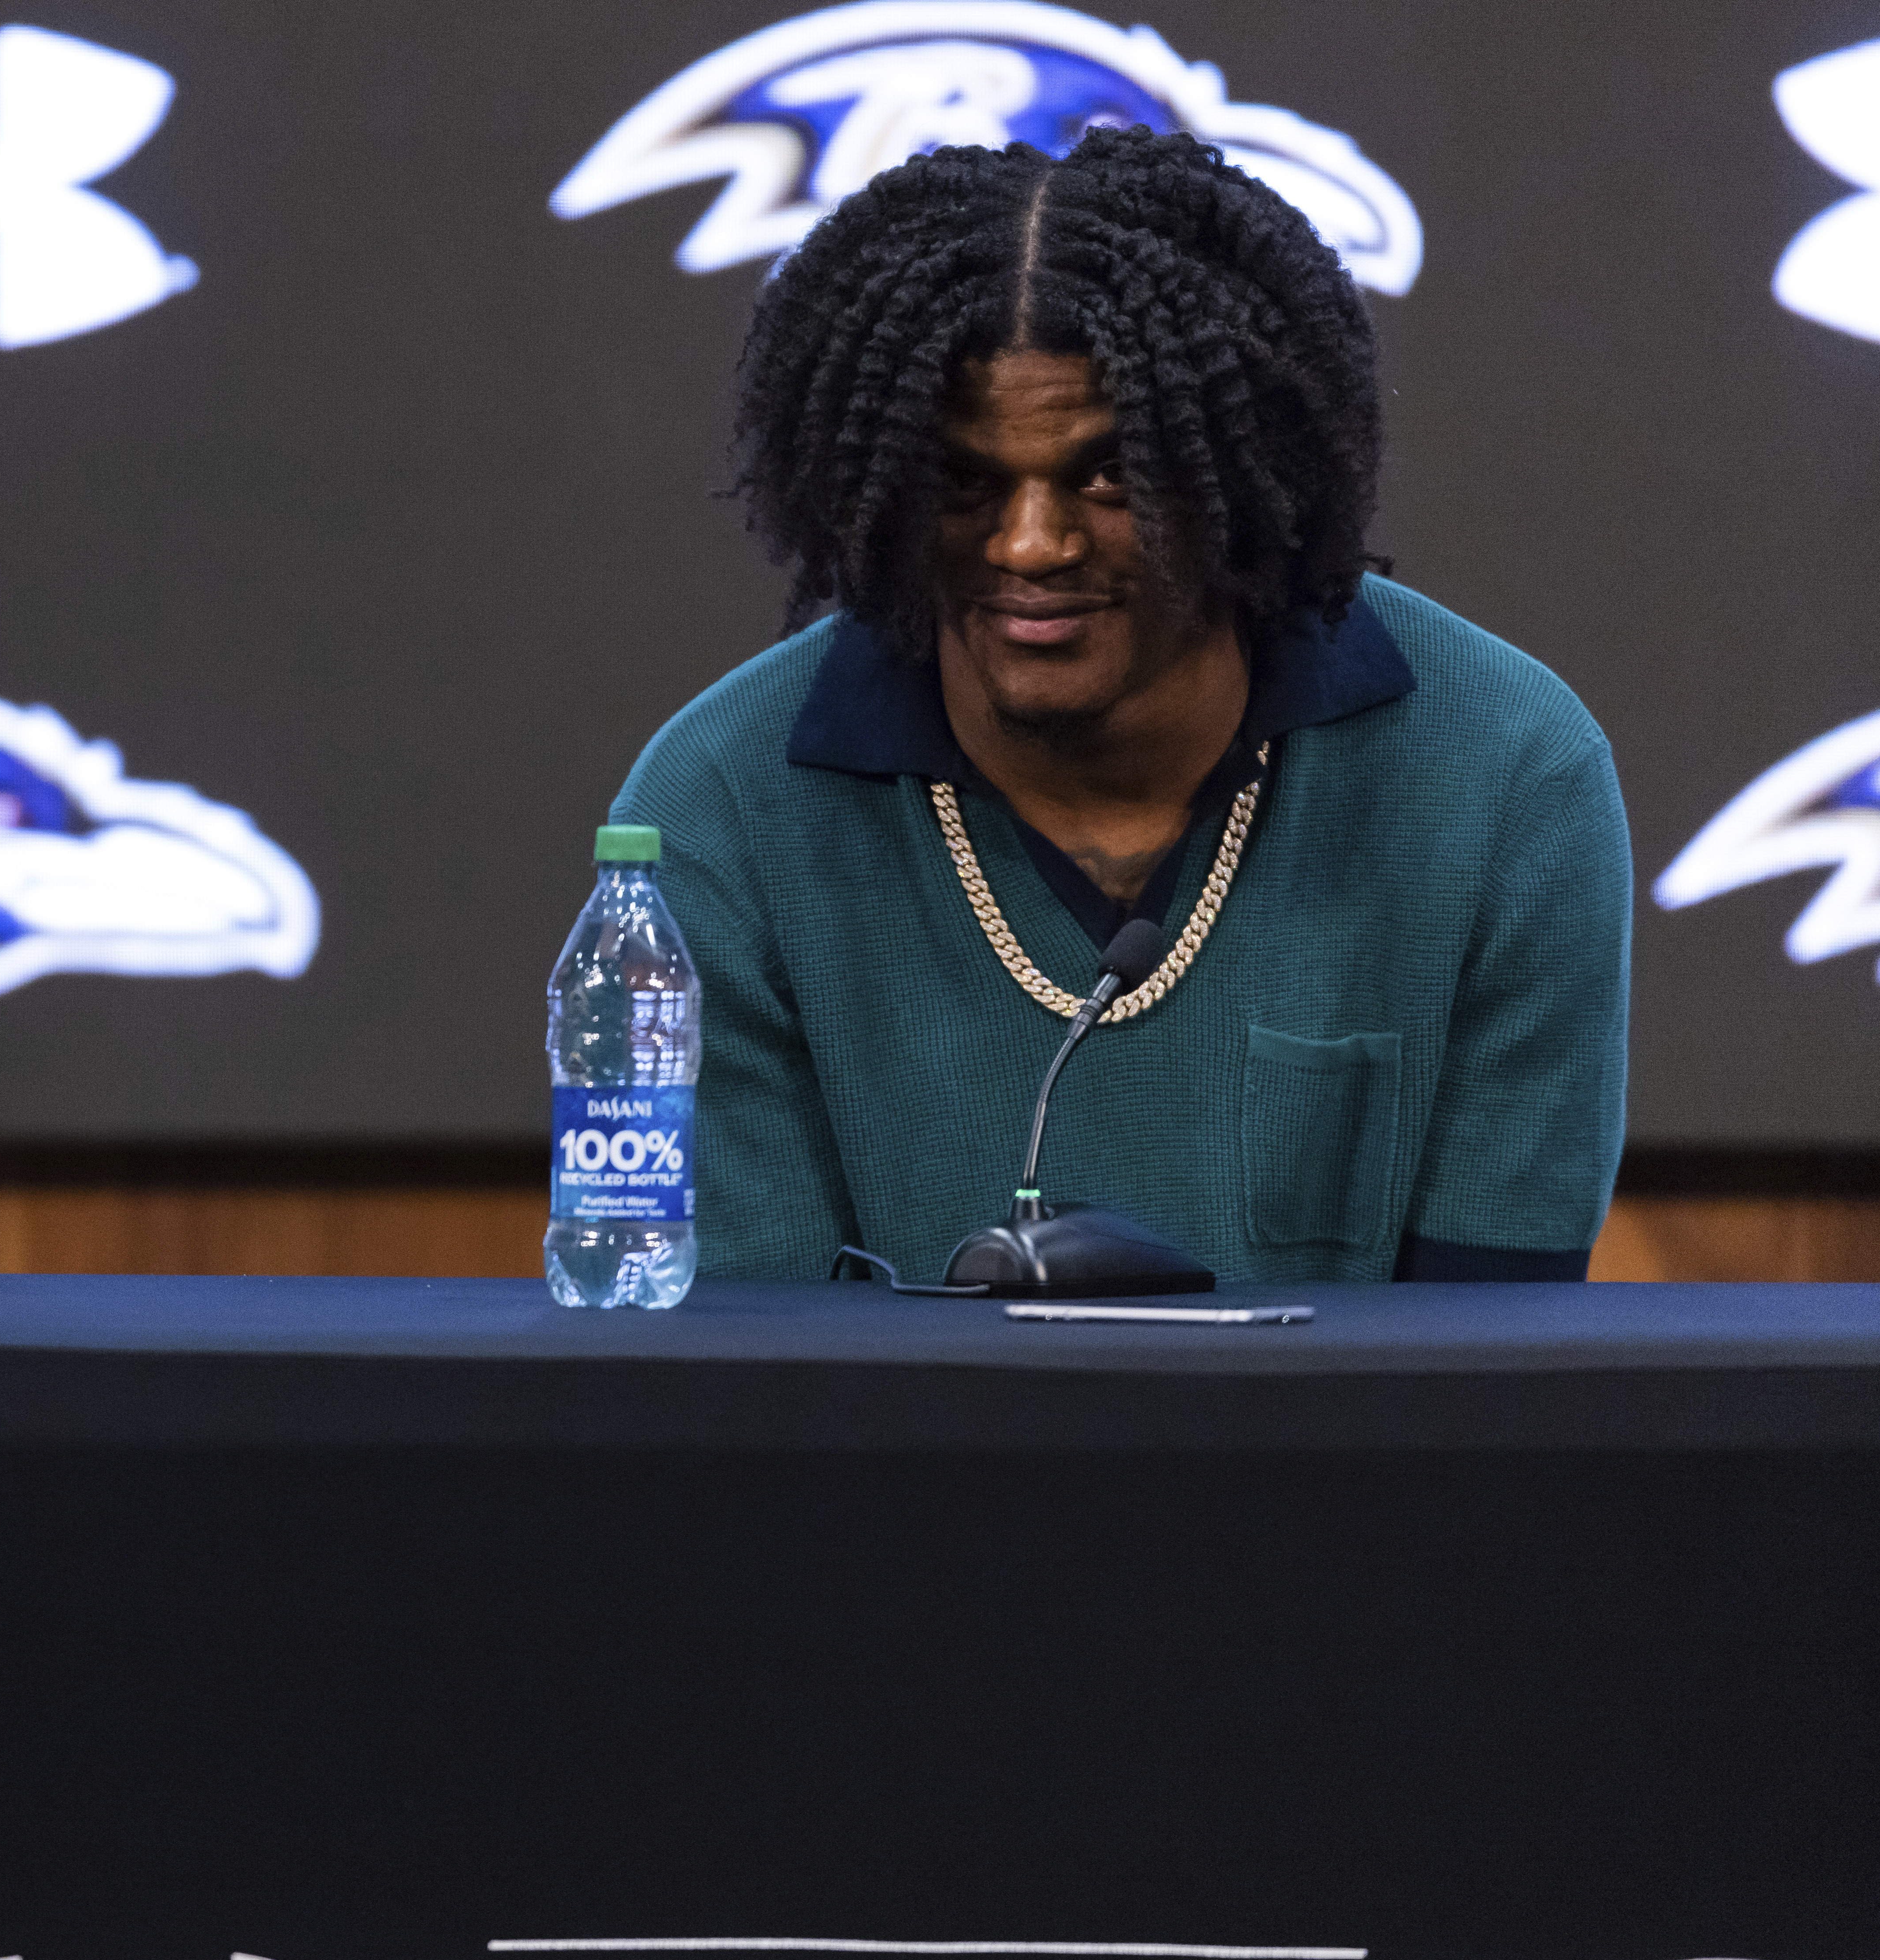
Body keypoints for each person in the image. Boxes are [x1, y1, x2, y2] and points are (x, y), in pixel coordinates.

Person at [610, 129, 1628, 1285]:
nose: (1029, 544)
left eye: (1110, 476)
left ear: (1246, 473)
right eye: (960, 483)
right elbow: (747, 1386)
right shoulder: (722, 804)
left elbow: (1493, 1387)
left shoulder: (1503, 771)